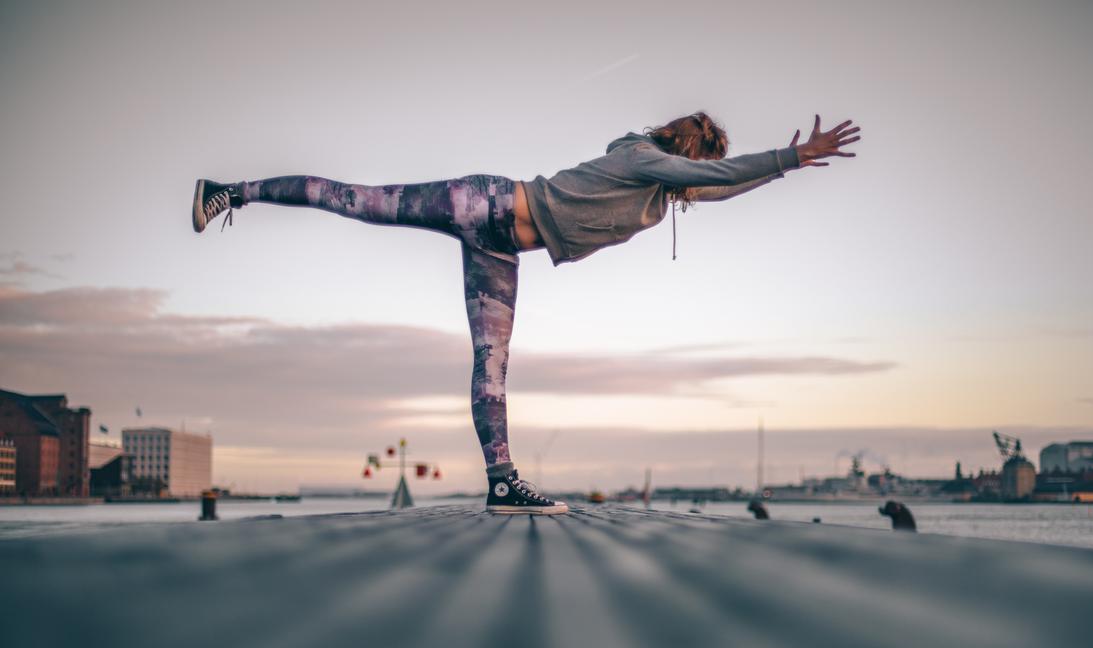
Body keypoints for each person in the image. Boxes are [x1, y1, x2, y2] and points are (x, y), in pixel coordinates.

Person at [192, 112, 861, 514]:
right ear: (691, 151)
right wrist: (791, 153)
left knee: (492, 364)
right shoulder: (638, 156)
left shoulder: (662, 193)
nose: (702, 179)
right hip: (482, 202)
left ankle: (503, 483)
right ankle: (230, 192)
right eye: (703, 164)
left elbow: (720, 189)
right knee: (358, 201)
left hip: (502, 248)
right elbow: (714, 178)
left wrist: (783, 170)